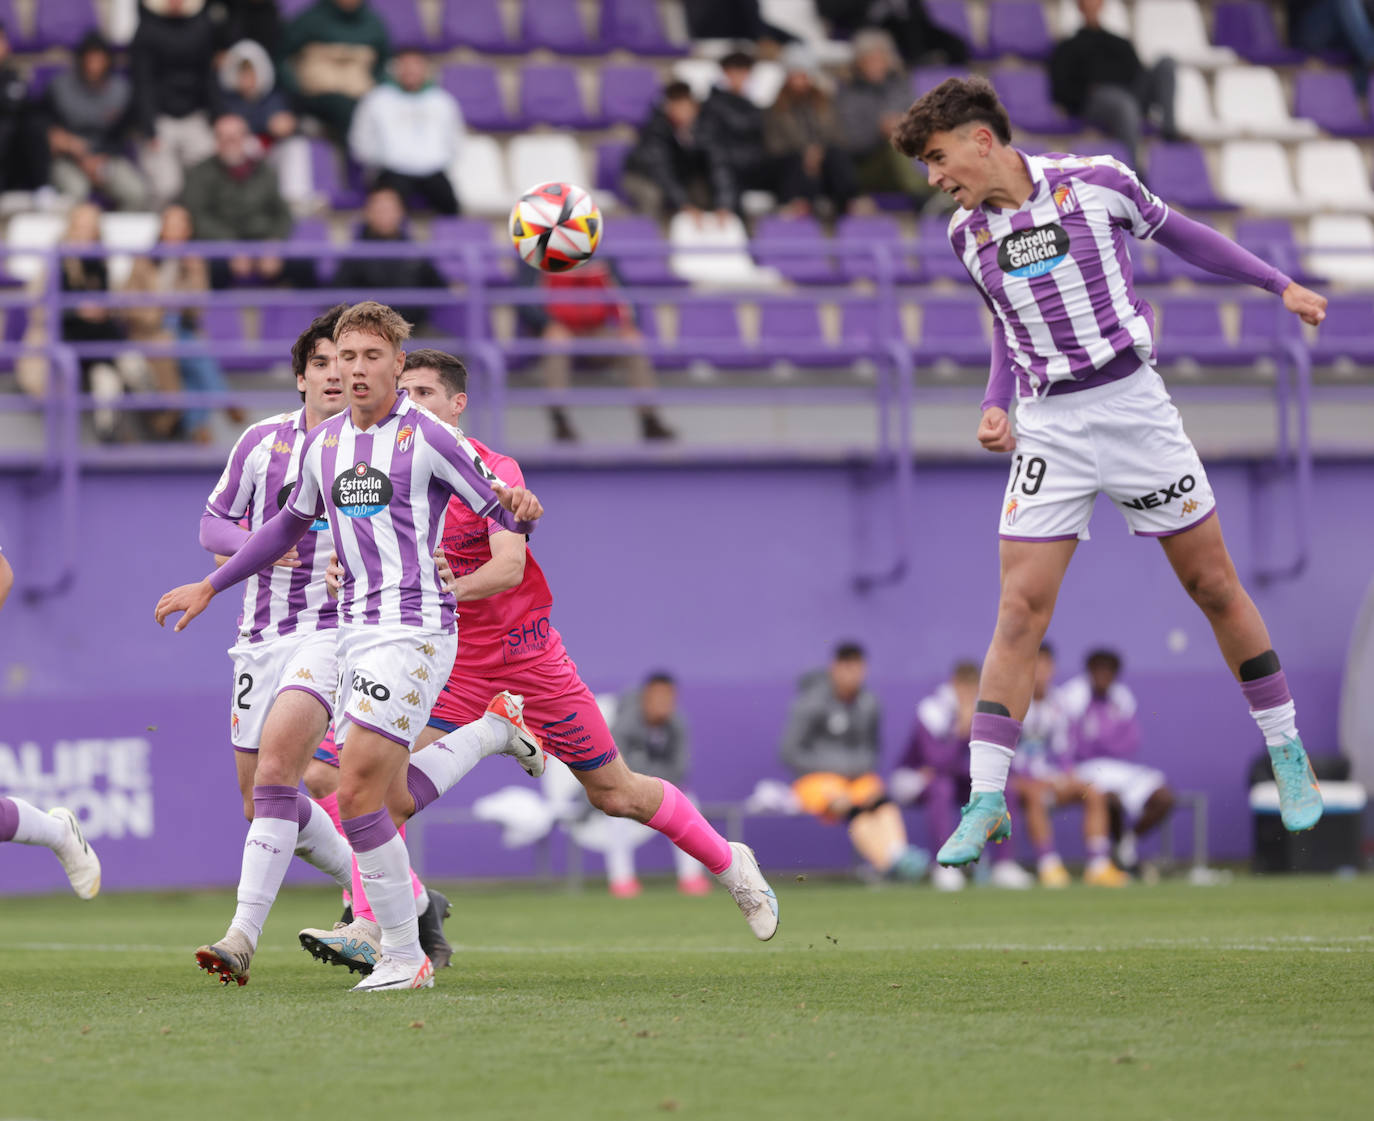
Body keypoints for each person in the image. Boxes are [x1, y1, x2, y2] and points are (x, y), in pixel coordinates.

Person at [888, 76, 1326, 869]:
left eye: (938, 156)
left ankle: (1288, 752)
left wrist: (1278, 284)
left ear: (982, 140)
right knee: (1019, 611)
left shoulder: (1099, 183)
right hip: (1051, 424)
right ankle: (988, 797)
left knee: (1215, 586)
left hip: (1133, 409)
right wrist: (999, 402)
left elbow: (1186, 234)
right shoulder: (965, 236)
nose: (934, 176)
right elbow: (1004, 320)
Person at [300, 349, 778, 968]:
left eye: (424, 392)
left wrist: (438, 587)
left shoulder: (491, 470)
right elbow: (360, 554)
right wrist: (347, 573)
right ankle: (374, 920)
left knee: (616, 793)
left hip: (529, 658)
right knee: (368, 791)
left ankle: (729, 863)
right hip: (446, 663)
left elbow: (508, 567)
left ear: (457, 404)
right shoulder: (386, 472)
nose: (411, 403)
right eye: (406, 391)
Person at [155, 301, 554, 992]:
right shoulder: (322, 444)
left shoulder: (428, 436)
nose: (357, 369)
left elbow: (499, 506)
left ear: (398, 365)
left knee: (360, 784)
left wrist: (521, 505)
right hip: (350, 629)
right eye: (347, 357)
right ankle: (490, 736)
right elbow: (283, 527)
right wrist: (212, 585)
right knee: (366, 792)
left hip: (416, 627)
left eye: (372, 356)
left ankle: (402, 953)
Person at [186, 306, 452, 984]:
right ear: (302, 376)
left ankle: (243, 935)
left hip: (335, 629)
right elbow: (215, 522)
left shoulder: (380, 444)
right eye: (327, 363)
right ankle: (400, 892)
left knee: (287, 769)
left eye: (353, 360)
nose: (342, 373)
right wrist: (248, 555)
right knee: (265, 798)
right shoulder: (267, 442)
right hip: (258, 637)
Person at [781, 642, 929, 881]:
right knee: (851, 806)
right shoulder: (810, 703)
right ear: (835, 668)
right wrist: (835, 768)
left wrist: (856, 768)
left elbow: (872, 749)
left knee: (880, 802)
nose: (853, 675)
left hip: (857, 778)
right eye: (847, 668)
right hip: (816, 780)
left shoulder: (869, 703)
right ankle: (889, 864)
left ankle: (897, 855)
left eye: (858, 668)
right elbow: (789, 752)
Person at [893, 661, 1033, 890]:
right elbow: (936, 763)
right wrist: (961, 730)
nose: (967, 694)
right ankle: (944, 866)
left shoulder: (985, 709)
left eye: (972, 687)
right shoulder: (932, 710)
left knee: (1004, 788)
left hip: (958, 775)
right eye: (963, 687)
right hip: (915, 778)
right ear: (953, 684)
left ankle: (1003, 864)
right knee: (941, 787)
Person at [517, 255, 674, 444]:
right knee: (556, 345)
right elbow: (525, 301)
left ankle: (650, 420)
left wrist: (629, 326)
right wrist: (547, 325)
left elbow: (623, 296)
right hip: (558, 329)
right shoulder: (536, 258)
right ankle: (560, 420)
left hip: (596, 329)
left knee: (633, 346)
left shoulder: (603, 258)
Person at [1007, 644, 1127, 887]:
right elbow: (1005, 750)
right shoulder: (1013, 701)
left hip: (1048, 778)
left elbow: (1063, 750)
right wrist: (1030, 776)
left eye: (1046, 665)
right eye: (1035, 665)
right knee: (1034, 793)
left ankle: (1098, 865)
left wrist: (1066, 773)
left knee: (1093, 792)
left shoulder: (1059, 703)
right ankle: (1049, 866)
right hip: (1014, 779)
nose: (1041, 671)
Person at [123, 203, 235, 443]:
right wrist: (156, 312)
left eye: (181, 225)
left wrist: (194, 274)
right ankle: (222, 400)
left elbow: (198, 308)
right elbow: (127, 303)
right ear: (162, 229)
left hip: (182, 328)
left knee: (192, 353)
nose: (176, 231)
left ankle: (197, 427)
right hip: (150, 331)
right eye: (171, 224)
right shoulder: (144, 261)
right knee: (194, 353)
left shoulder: (194, 261)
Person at [1062, 649, 1174, 874]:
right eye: (1098, 670)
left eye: (1109, 671)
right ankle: (1106, 862)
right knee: (1108, 799)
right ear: (1090, 672)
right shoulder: (1073, 695)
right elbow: (1071, 744)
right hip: (1086, 768)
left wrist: (1099, 742)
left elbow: (1130, 743)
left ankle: (1125, 844)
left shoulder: (1122, 697)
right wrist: (1103, 742)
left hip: (1118, 767)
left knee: (1164, 797)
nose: (1103, 676)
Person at [604, 672, 712, 896]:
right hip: (627, 788)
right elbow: (617, 765)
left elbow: (681, 769)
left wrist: (650, 775)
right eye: (657, 696)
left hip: (663, 788)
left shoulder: (677, 723)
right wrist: (645, 774)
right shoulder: (626, 723)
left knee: (690, 805)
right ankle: (622, 881)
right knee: (615, 817)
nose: (663, 703)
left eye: (668, 697)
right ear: (645, 696)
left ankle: (691, 878)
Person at [1048, 0, 1183, 171]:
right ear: (1079, 7)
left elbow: (1138, 73)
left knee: (1166, 63)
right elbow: (1062, 88)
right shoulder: (1067, 47)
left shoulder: (1120, 42)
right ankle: (1134, 172)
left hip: (1130, 96)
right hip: (1094, 102)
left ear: (1102, 5)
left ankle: (1169, 132)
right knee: (1123, 103)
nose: (1092, 6)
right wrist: (1083, 95)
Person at [181, 114, 311, 289]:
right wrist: (229, 247)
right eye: (223, 137)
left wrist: (274, 244)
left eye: (234, 137)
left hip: (263, 243)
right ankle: (213, 317)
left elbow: (283, 213)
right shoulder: (200, 173)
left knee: (306, 267)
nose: (229, 142)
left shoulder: (264, 170)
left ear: (245, 138)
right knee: (204, 271)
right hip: (220, 248)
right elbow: (198, 217)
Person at [348, 48, 462, 215]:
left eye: (416, 65)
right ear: (395, 68)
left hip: (433, 171)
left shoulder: (442, 101)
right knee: (384, 213)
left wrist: (439, 160)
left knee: (452, 210)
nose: (410, 71)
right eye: (405, 65)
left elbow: (455, 139)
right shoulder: (377, 99)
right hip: (391, 171)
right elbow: (360, 139)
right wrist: (379, 160)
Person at [131, 0, 223, 205]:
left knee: (206, 183)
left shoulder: (202, 27)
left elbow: (209, 77)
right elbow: (143, 82)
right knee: (166, 188)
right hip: (160, 118)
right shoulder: (147, 30)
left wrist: (218, 118)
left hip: (195, 116)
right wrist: (149, 128)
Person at [45, 31, 150, 211]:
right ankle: (77, 237)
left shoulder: (120, 91)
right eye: (89, 59)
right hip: (68, 160)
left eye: (99, 59)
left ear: (108, 61)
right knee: (76, 191)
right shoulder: (59, 88)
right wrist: (66, 144)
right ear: (81, 60)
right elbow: (45, 126)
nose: (94, 66)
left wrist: (102, 158)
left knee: (136, 192)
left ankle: (120, 238)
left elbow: (122, 135)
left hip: (105, 158)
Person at [834, 29, 930, 205]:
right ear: (859, 63)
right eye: (869, 60)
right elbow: (847, 141)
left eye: (880, 59)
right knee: (894, 143)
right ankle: (924, 195)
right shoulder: (848, 93)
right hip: (866, 166)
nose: (875, 65)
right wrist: (881, 130)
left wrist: (904, 127)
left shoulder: (901, 86)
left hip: (908, 159)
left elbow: (922, 126)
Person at [329, 186, 446, 329]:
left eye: (390, 208)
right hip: (366, 332)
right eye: (379, 209)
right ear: (368, 213)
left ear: (401, 212)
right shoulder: (354, 254)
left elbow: (440, 288)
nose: (385, 214)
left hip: (414, 329)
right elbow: (339, 295)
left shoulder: (416, 252)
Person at [764, 45, 859, 218]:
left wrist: (818, 152)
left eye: (804, 75)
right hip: (792, 164)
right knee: (793, 162)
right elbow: (773, 146)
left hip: (824, 160)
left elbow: (838, 136)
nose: (801, 81)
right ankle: (796, 204)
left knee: (837, 157)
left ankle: (848, 203)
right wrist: (805, 152)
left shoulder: (825, 104)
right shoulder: (775, 110)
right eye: (796, 75)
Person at [278, 0, 390, 140]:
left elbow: (383, 65)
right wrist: (295, 90)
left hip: (360, 98)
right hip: (316, 98)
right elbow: (282, 57)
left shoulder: (373, 24)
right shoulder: (311, 20)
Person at [623, 81, 732, 221]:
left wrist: (724, 204)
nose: (682, 112)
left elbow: (719, 166)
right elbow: (662, 170)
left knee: (703, 192)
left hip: (680, 176)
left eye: (685, 106)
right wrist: (684, 204)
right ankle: (648, 236)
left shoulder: (706, 130)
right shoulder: (656, 130)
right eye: (677, 106)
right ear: (668, 108)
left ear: (695, 107)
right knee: (651, 195)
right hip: (642, 176)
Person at [697, 51, 785, 215]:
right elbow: (708, 142)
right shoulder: (712, 105)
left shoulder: (755, 105)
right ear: (724, 74)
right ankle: (729, 215)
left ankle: (791, 217)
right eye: (733, 72)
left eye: (743, 72)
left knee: (793, 163)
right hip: (728, 166)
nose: (739, 77)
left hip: (755, 163)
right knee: (724, 171)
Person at [818, 0, 969, 65]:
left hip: (911, 28)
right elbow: (828, 10)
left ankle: (955, 87)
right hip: (866, 28)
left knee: (957, 46)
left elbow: (918, 13)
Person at [0, 21, 51, 193]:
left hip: (12, 155)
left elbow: (25, 108)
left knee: (34, 125)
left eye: (2, 39)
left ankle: (42, 188)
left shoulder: (12, 77)